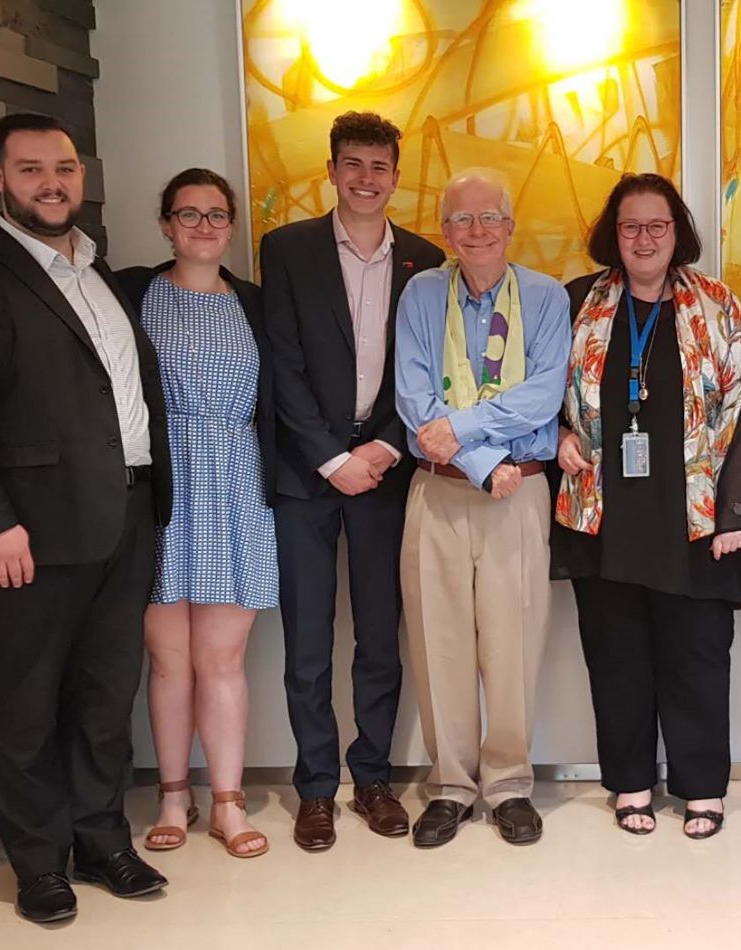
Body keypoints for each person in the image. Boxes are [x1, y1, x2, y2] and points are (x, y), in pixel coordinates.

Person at [0, 113, 172, 922]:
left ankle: (101, 843)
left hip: (127, 517)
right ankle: (38, 863)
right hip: (27, 532)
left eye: (62, 168)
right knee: (26, 704)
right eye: (30, 170)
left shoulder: (102, 272)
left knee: (104, 695)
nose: (51, 184)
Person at [553, 172, 741, 839]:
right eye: (630, 226)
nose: (643, 239)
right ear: (613, 235)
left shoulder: (718, 304)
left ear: (679, 233)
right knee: (616, 656)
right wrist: (554, 435)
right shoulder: (579, 301)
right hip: (604, 514)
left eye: (657, 226)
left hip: (693, 517)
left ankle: (702, 787)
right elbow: (537, 391)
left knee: (697, 655)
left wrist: (734, 517)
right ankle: (631, 783)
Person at [261, 111, 445, 851]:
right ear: (332, 172)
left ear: (396, 178)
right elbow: (283, 362)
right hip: (309, 476)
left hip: (387, 473)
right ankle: (314, 788)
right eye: (353, 164)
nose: (366, 178)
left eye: (379, 166)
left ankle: (371, 778)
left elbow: (428, 371)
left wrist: (386, 449)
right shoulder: (289, 249)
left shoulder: (427, 260)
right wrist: (331, 457)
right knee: (308, 639)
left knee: (379, 636)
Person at [393, 169, 571, 848]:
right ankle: (450, 787)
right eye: (462, 221)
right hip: (439, 489)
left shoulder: (546, 297)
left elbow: (543, 396)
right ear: (444, 232)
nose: (476, 232)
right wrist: (475, 461)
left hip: (516, 492)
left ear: (510, 224)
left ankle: (508, 785)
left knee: (512, 642)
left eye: (489, 218)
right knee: (438, 643)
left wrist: (467, 436)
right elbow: (414, 397)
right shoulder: (421, 293)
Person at [116, 168, 275, 859]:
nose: (204, 226)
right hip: (161, 483)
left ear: (232, 225)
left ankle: (229, 805)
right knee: (169, 657)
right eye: (189, 214)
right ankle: (174, 796)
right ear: (166, 224)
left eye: (217, 215)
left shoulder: (258, 306)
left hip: (237, 481)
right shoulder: (131, 295)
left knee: (223, 657)